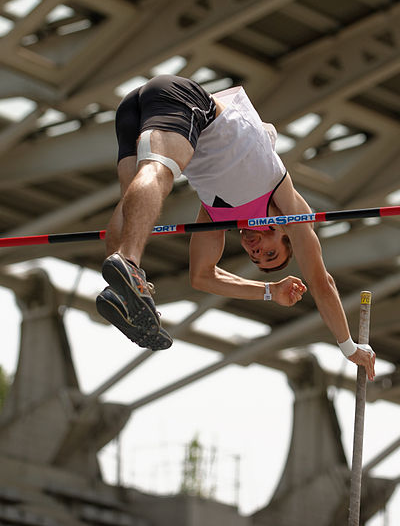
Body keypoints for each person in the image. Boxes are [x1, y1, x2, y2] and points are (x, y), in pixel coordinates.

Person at [96, 75, 376, 380]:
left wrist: (269, 291)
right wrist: (350, 348)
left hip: (133, 108)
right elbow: (322, 283)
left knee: (130, 200)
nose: (256, 250)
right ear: (286, 235)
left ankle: (122, 291)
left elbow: (202, 276)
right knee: (159, 171)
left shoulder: (216, 216)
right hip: (184, 100)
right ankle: (130, 266)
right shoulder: (289, 209)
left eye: (255, 257)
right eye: (270, 254)